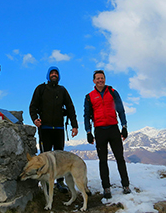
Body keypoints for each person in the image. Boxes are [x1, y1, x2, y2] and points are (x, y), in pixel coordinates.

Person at [29, 66, 79, 193]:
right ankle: (45, 181)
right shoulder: (41, 89)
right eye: (52, 73)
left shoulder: (62, 90)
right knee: (45, 156)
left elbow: (70, 107)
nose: (54, 74)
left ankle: (60, 182)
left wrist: (74, 125)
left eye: (56, 73)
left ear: (59, 76)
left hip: (58, 128)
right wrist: (35, 119)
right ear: (48, 75)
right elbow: (33, 106)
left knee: (59, 157)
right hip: (44, 128)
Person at [84, 70, 130, 199]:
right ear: (94, 81)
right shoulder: (89, 96)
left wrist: (124, 126)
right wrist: (88, 132)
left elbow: (120, 110)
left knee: (120, 158)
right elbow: (87, 115)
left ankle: (126, 185)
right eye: (98, 78)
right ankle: (106, 188)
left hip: (113, 129)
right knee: (103, 160)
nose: (100, 80)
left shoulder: (113, 92)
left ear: (105, 79)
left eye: (102, 78)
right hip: (99, 131)